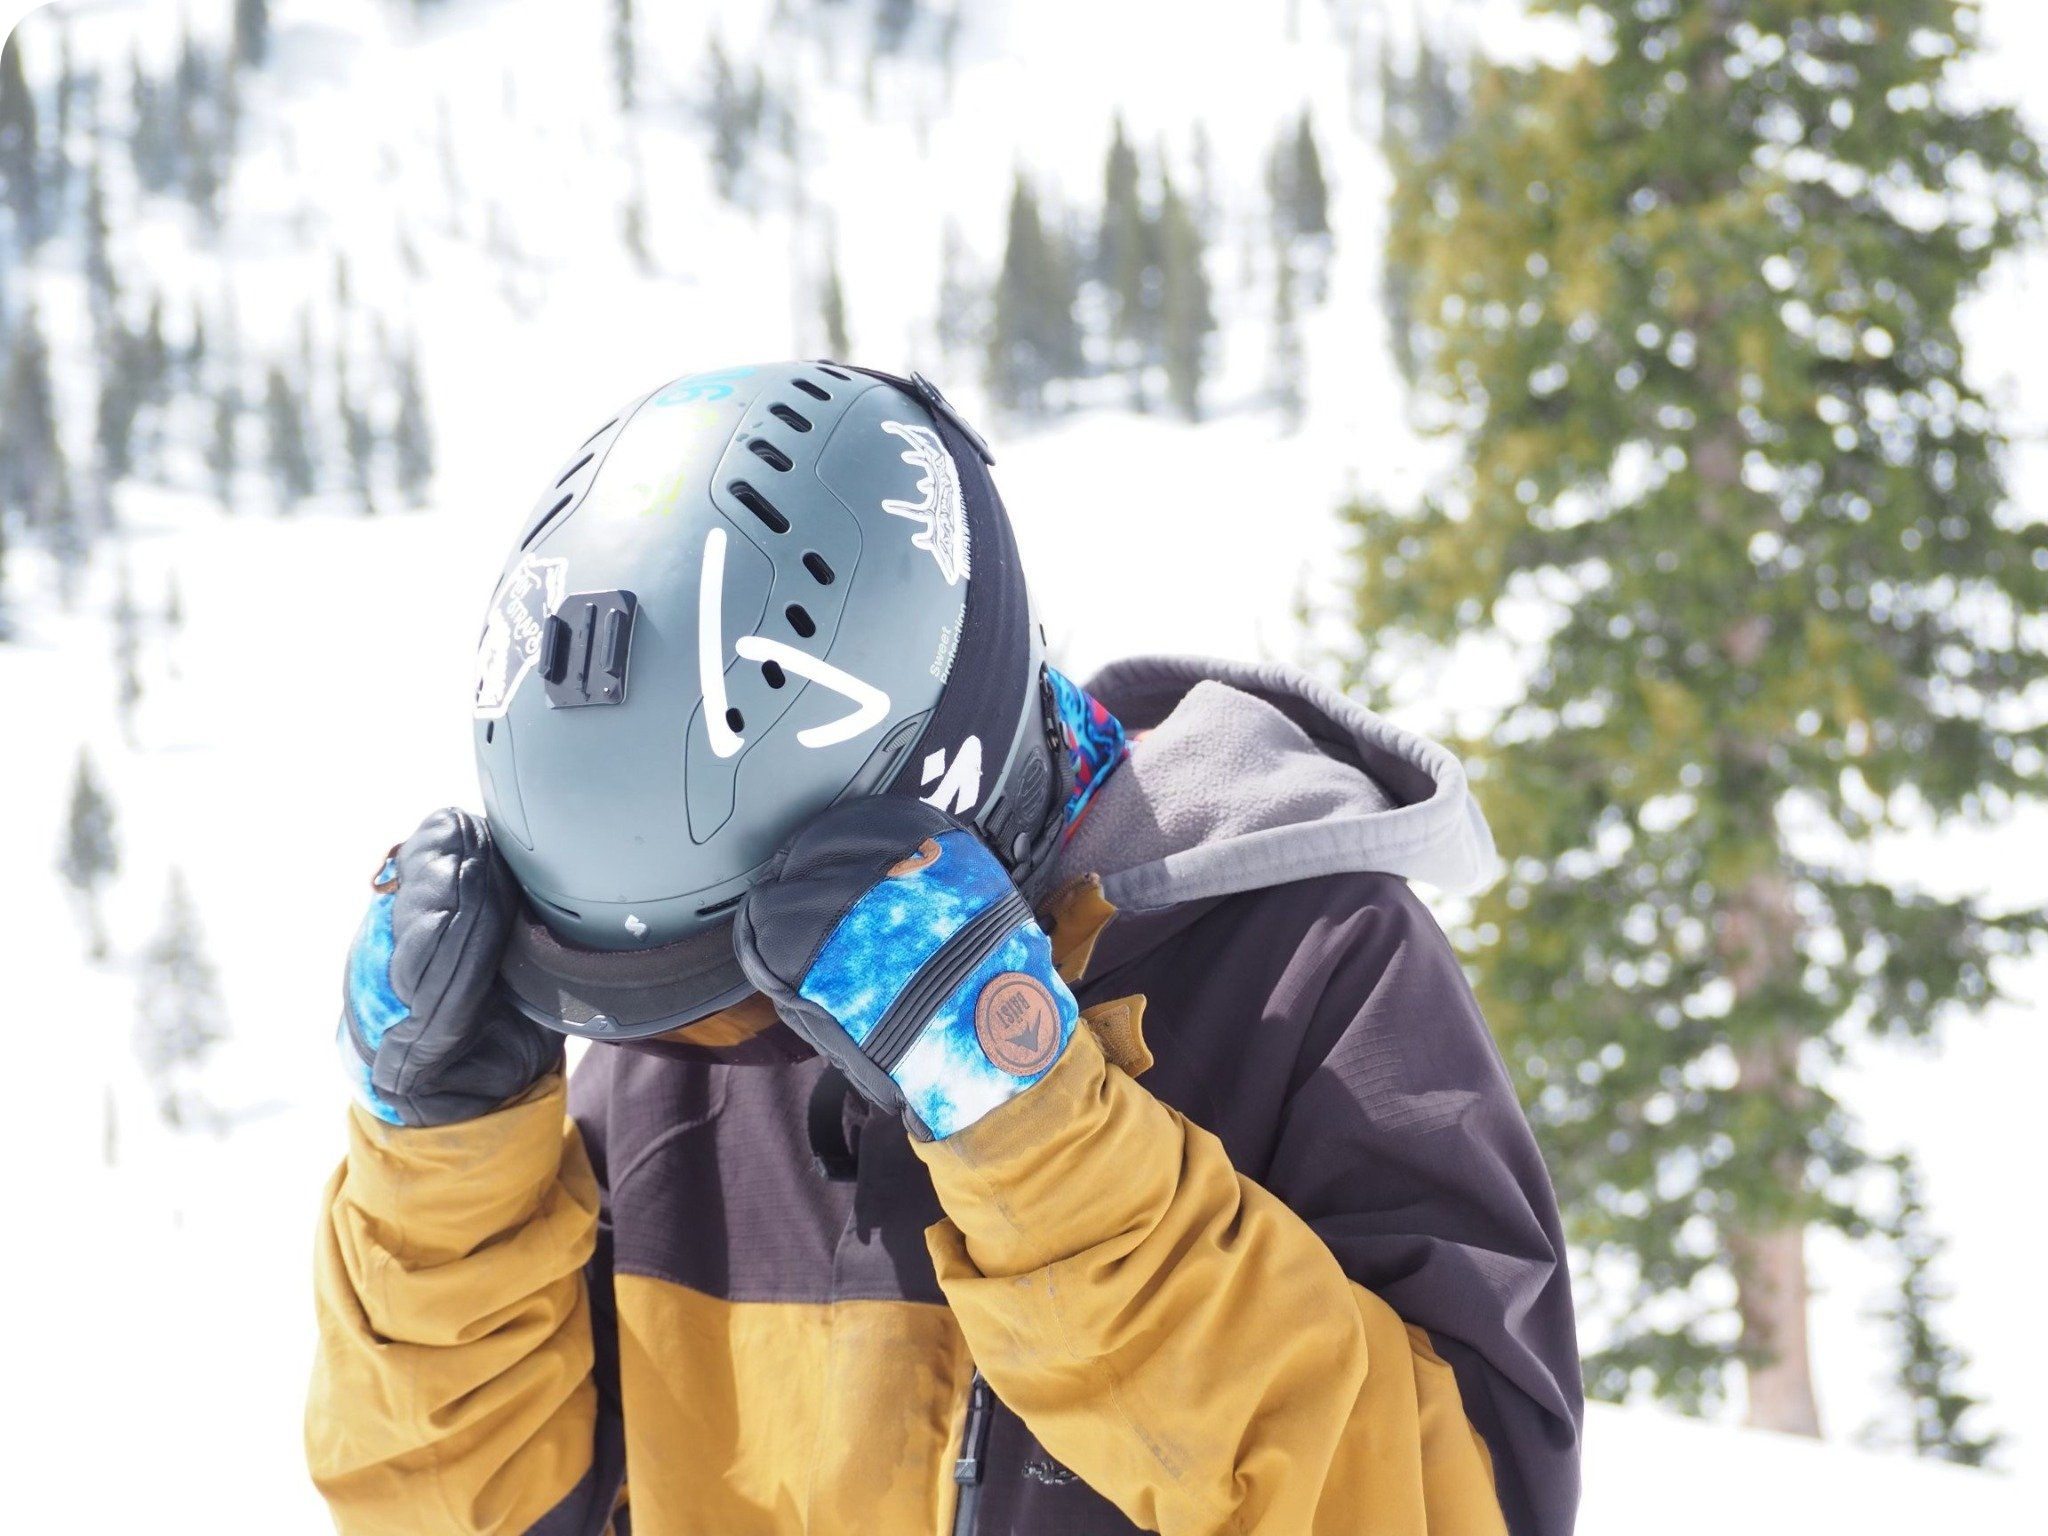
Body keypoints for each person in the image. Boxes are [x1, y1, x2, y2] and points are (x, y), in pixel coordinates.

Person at [306, 363, 1583, 1536]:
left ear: (935, 791)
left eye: (738, 955)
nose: (718, 1028)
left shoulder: (1304, 973)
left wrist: (1033, 1131)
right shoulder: (669, 1059)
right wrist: (445, 1186)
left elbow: (1455, 1509)